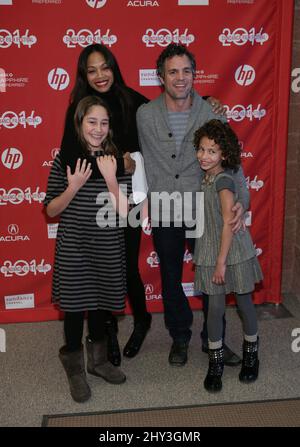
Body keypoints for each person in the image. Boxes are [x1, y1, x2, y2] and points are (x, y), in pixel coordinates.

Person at [60, 43, 226, 366]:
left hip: (170, 200)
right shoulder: (93, 109)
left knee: (192, 272)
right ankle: (148, 335)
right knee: (133, 272)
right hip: (107, 200)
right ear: (161, 77)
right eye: (91, 70)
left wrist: (208, 101)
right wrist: (119, 167)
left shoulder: (134, 100)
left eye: (104, 67)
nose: (99, 75)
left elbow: (186, 113)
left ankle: (203, 336)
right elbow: (71, 159)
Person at [137, 43, 250, 367]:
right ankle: (180, 337)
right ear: (161, 76)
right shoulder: (144, 115)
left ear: (194, 74)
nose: (180, 77)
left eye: (186, 71)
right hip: (165, 208)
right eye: (173, 71)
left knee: (213, 275)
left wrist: (241, 199)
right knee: (171, 276)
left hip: (206, 210)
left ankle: (213, 339)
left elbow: (231, 161)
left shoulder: (212, 112)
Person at [44, 96, 130, 402]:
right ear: (80, 124)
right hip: (74, 247)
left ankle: (98, 361)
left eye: (104, 123)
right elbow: (52, 210)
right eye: (92, 121)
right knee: (73, 306)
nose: (98, 129)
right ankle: (75, 368)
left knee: (99, 304)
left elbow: (125, 212)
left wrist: (111, 180)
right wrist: (74, 186)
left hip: (106, 246)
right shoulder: (66, 160)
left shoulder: (115, 160)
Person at [193, 119, 263, 391]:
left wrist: (220, 263)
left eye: (212, 151)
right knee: (215, 311)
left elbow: (226, 224)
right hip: (211, 249)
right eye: (201, 149)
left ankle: (251, 357)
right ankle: (216, 363)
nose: (204, 155)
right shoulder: (206, 176)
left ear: (224, 154)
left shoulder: (223, 179)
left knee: (245, 305)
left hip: (230, 252)